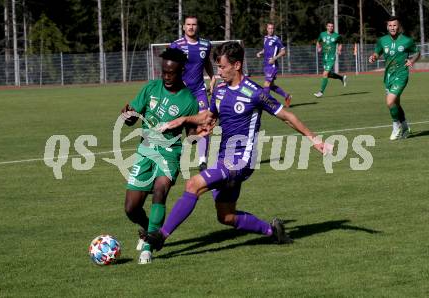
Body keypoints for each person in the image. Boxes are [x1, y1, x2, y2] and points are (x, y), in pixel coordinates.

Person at [141, 42, 332, 258]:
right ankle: (273, 231)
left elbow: (287, 117)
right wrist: (188, 121)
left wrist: (315, 140)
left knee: (193, 184)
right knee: (226, 216)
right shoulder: (220, 91)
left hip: (241, 160)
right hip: (224, 157)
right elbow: (209, 117)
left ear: (237, 65)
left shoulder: (255, 93)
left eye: (222, 67)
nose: (218, 72)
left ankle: (160, 236)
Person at [120, 48, 200, 264]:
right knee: (131, 208)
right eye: (163, 71)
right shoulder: (151, 88)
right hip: (145, 151)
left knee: (160, 190)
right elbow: (132, 116)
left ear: (181, 71)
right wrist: (127, 116)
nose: (166, 76)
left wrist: (198, 133)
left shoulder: (189, 100)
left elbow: (191, 137)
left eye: (171, 72)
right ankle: (149, 229)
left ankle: (148, 248)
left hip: (170, 154)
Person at [170, 15, 217, 171]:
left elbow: (207, 63)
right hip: (180, 93)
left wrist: (212, 77)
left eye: (194, 24)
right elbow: (169, 67)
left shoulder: (205, 44)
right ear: (184, 27)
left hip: (199, 91)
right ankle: (172, 158)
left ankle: (202, 161)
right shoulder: (176, 45)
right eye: (188, 24)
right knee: (177, 127)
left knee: (205, 122)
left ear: (197, 26)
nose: (191, 27)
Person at [369, 16, 420, 140]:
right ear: (387, 27)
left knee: (390, 101)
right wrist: (374, 57)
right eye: (390, 25)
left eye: (395, 25)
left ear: (399, 26)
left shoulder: (407, 40)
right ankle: (405, 127)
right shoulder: (382, 40)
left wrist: (412, 61)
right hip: (388, 76)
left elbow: (417, 53)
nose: (392, 28)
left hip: (401, 75)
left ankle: (395, 126)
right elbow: (377, 52)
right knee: (396, 103)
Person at [256, 23, 292, 107]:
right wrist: (260, 53)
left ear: (274, 29)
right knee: (271, 85)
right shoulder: (265, 38)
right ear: (267, 29)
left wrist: (274, 58)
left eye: (272, 28)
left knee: (266, 84)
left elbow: (283, 51)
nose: (271, 30)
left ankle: (264, 104)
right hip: (266, 64)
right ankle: (287, 96)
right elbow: (265, 49)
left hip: (272, 65)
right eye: (269, 28)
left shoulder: (276, 39)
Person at [314, 22, 347, 98]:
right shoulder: (322, 34)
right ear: (326, 27)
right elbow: (318, 41)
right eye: (329, 26)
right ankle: (341, 78)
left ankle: (321, 92)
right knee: (328, 74)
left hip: (331, 57)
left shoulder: (337, 36)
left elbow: (340, 43)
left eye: (332, 26)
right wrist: (318, 47)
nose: (331, 27)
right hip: (324, 57)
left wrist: (339, 50)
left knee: (325, 74)